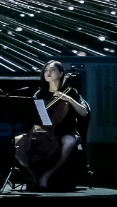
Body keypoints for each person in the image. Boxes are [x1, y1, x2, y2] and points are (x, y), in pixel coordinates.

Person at [16, 59, 90, 190]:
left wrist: (68, 99)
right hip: (42, 130)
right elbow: (32, 114)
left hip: (65, 130)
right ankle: (34, 174)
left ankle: (47, 175)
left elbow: (84, 113)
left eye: (52, 70)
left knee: (68, 143)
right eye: (46, 70)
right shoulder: (40, 93)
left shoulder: (70, 91)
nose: (48, 72)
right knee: (15, 144)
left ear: (61, 73)